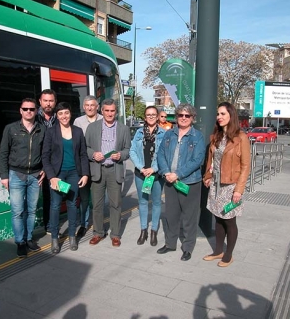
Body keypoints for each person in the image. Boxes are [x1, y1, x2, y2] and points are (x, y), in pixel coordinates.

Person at [202, 102, 250, 267]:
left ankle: (228, 254)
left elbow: (245, 166)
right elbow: (211, 160)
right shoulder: (216, 136)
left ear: (231, 116)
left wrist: (239, 190)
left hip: (231, 186)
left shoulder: (240, 137)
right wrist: (208, 176)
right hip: (216, 185)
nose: (219, 117)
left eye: (223, 114)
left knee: (229, 220)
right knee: (218, 218)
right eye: (218, 114)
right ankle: (218, 251)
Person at [156, 103, 205, 261]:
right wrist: (166, 173)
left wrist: (178, 174)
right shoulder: (169, 134)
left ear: (192, 118)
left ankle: (188, 247)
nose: (183, 118)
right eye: (180, 115)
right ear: (176, 117)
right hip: (170, 181)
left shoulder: (197, 136)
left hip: (189, 182)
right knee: (171, 214)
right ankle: (170, 244)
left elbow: (197, 160)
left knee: (189, 217)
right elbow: (161, 155)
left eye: (187, 116)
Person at [0, 98, 45, 258]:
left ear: (36, 110)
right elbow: (3, 153)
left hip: (35, 175)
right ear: (20, 110)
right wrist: (4, 176)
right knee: (18, 211)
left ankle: (29, 238)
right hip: (16, 175)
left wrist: (44, 169)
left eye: (32, 109)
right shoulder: (11, 129)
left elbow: (45, 153)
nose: (28, 112)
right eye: (25, 109)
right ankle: (20, 242)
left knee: (31, 211)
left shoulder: (42, 129)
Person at [43, 102, 90, 253]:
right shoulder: (51, 132)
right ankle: (55, 238)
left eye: (66, 113)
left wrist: (85, 174)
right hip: (58, 175)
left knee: (72, 205)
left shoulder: (77, 131)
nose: (64, 116)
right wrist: (51, 177)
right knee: (55, 206)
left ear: (70, 114)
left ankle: (71, 236)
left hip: (73, 174)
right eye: (60, 113)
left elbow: (83, 154)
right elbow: (45, 156)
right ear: (57, 116)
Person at [85, 98, 131, 247]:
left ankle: (115, 234)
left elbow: (127, 150)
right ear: (102, 111)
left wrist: (120, 155)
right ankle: (98, 233)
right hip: (98, 169)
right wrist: (93, 154)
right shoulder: (92, 128)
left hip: (114, 169)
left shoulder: (123, 129)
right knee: (97, 205)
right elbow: (85, 148)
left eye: (112, 111)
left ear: (116, 112)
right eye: (107, 111)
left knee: (115, 204)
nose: (110, 113)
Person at [129, 106, 165, 246]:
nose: (150, 117)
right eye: (148, 115)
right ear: (145, 117)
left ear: (157, 117)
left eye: (153, 114)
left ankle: (154, 231)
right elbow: (132, 151)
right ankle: (143, 230)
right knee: (143, 202)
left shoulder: (163, 133)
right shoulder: (139, 133)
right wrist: (141, 167)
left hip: (156, 175)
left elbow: (164, 155)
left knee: (156, 203)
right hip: (141, 173)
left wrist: (154, 168)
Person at [73, 95, 103, 237]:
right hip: (83, 166)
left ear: (97, 106)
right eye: (87, 105)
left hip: (100, 165)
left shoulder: (104, 119)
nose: (90, 108)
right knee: (84, 198)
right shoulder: (78, 122)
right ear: (83, 107)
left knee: (98, 198)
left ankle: (99, 225)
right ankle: (84, 224)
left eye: (92, 105)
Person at [37, 89, 57, 233]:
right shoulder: (34, 117)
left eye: (51, 101)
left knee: (53, 197)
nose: (48, 104)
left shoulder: (60, 117)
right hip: (38, 164)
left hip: (55, 164)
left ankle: (51, 225)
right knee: (43, 197)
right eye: (45, 100)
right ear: (40, 102)